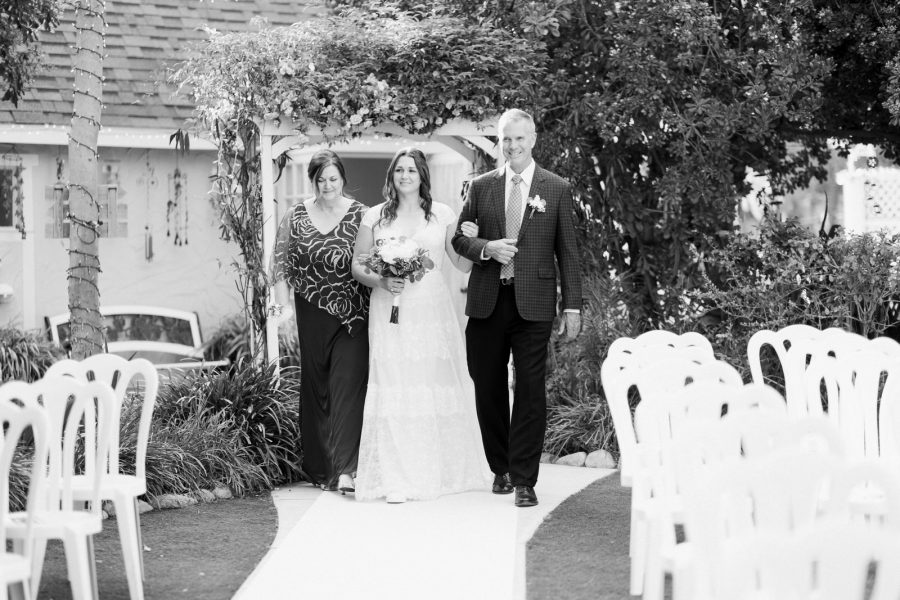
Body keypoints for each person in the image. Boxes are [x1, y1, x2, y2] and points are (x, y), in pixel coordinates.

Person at [452, 108, 583, 508]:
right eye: (506, 139)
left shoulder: (556, 187)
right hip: (488, 299)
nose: (513, 146)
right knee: (486, 384)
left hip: (535, 304)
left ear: (534, 139)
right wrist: (485, 248)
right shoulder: (480, 187)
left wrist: (573, 307)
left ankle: (525, 480)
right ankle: (501, 468)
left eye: (520, 138)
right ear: (500, 141)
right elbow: (460, 240)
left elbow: (569, 253)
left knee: (529, 390)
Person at [351, 147, 492, 503]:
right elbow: (358, 265)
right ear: (391, 176)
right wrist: (381, 281)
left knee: (430, 385)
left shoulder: (442, 214)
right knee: (395, 386)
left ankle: (435, 472)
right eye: (399, 170)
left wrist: (477, 239)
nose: (405, 176)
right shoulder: (374, 217)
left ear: (422, 176)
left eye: (411, 170)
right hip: (390, 311)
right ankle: (396, 478)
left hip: (432, 313)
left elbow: (460, 264)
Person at [272, 149, 370, 493]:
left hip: (353, 315)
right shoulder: (295, 216)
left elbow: (371, 262)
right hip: (310, 313)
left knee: (346, 387)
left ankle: (346, 470)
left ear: (342, 179)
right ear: (312, 181)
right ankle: (321, 466)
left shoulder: (362, 215)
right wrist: (284, 314)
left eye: (333, 178)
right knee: (317, 387)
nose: (327, 185)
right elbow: (280, 266)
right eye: (321, 179)